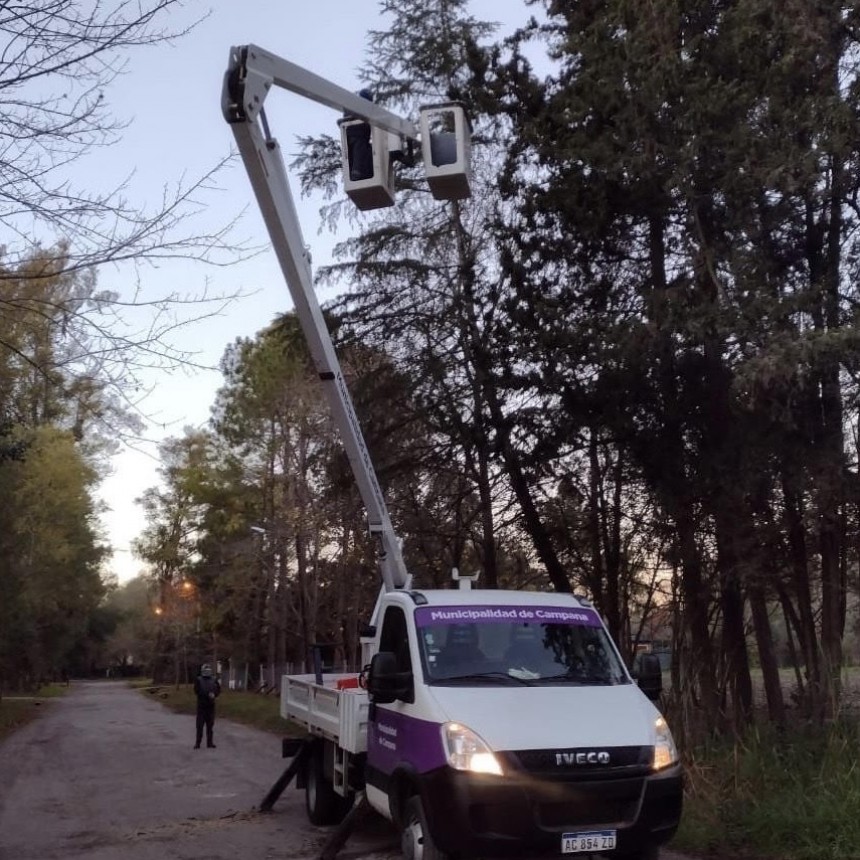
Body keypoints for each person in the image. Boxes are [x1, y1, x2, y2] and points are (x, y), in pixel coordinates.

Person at [193, 664, 221, 749]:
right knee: (199, 726)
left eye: (208, 670)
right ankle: (198, 743)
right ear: (202, 671)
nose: (207, 672)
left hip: (211, 706)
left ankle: (210, 743)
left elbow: (218, 690)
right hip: (201, 706)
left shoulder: (214, 679)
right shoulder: (199, 680)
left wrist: (214, 694)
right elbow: (196, 691)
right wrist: (207, 694)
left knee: (210, 726)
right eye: (205, 670)